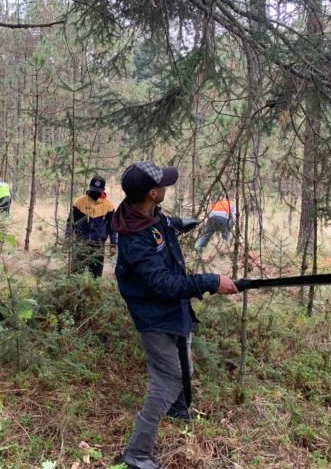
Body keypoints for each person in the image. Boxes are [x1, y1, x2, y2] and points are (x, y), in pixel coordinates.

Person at [112, 161, 238, 469]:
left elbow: (161, 227)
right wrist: (211, 281)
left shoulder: (149, 214)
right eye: (164, 186)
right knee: (168, 378)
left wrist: (180, 224)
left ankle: (178, 411)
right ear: (153, 193)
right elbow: (162, 283)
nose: (168, 187)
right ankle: (137, 452)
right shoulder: (134, 238)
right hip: (153, 316)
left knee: (185, 357)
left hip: (174, 310)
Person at [65, 174, 117, 278]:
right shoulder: (79, 202)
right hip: (81, 244)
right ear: (89, 187)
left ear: (103, 190)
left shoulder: (109, 205)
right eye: (93, 189)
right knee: (76, 276)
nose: (95, 193)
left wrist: (113, 245)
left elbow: (112, 227)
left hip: (98, 246)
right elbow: (71, 222)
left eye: (98, 191)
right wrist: (68, 237)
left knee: (96, 278)